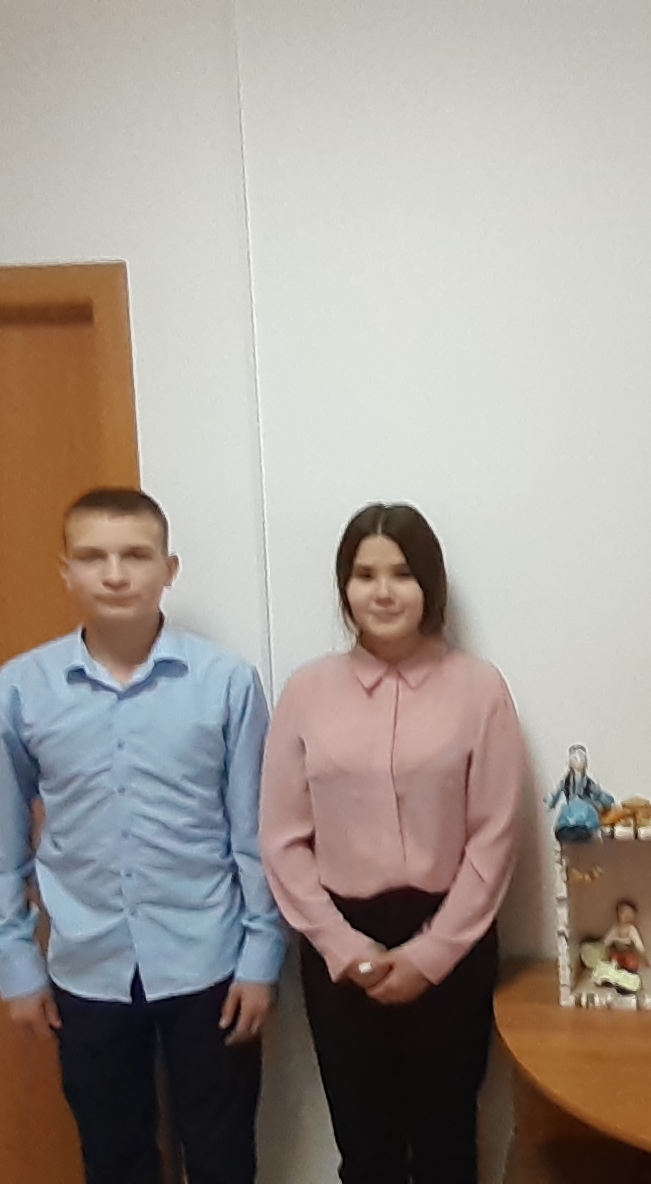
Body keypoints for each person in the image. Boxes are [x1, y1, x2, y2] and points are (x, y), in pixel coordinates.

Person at [0, 487, 283, 1184]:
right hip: (86, 968)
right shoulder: (20, 689)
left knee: (224, 1160)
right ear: (66, 571)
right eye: (93, 557)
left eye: (136, 556)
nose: (115, 575)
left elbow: (256, 835)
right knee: (114, 1162)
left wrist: (261, 957)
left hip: (211, 964)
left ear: (169, 570)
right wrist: (15, 962)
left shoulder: (227, 684)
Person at [261, 502, 525, 1184]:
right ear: (344, 588)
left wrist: (430, 955)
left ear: (430, 584)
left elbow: (495, 834)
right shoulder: (307, 691)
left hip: (453, 938)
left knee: (446, 1147)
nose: (383, 592)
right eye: (365, 575)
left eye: (402, 574)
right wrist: (343, 948)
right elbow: (283, 838)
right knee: (366, 1151)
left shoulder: (480, 689)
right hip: (340, 943)